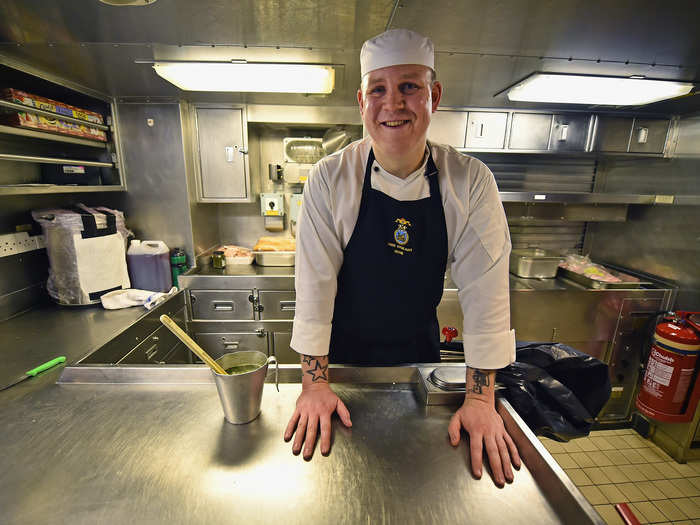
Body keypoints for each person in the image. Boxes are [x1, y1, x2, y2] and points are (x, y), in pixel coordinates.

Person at [283, 28, 521, 486]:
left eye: (409, 86)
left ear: (433, 95)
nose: (392, 103)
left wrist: (480, 400)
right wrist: (314, 384)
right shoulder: (330, 179)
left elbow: (486, 296)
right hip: (342, 367)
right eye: (379, 89)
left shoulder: (469, 180)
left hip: (420, 366)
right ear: (361, 101)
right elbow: (314, 287)